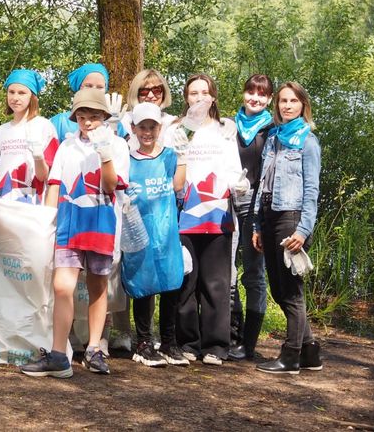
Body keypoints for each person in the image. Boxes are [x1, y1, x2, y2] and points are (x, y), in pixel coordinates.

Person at [21, 88, 129, 378]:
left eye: (94, 117)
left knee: (97, 287)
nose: (88, 123)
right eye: (82, 117)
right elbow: (54, 184)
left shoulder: (118, 145)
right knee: (62, 287)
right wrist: (45, 220)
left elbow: (111, 186)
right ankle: (58, 354)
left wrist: (105, 153)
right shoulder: (67, 146)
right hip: (69, 223)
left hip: (101, 224)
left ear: (104, 117)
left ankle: (94, 348)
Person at [163, 74, 246, 366]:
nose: (198, 98)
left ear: (213, 96)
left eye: (204, 92)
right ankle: (188, 342)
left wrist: (240, 184)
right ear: (186, 97)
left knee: (217, 283)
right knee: (186, 281)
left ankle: (216, 345)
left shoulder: (225, 130)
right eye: (193, 93)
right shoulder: (176, 129)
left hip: (218, 214)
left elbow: (235, 169)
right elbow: (168, 165)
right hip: (184, 214)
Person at [253, 82, 322, 374]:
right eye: (282, 101)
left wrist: (303, 230)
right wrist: (257, 224)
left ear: (302, 104)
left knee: (291, 290)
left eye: (293, 101)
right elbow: (262, 185)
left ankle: (291, 356)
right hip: (269, 216)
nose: (287, 106)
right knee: (279, 289)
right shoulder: (274, 138)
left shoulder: (308, 142)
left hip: (291, 218)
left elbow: (311, 191)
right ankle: (310, 351)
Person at [123, 103, 188, 368]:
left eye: (152, 127)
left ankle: (170, 341)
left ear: (159, 128)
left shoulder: (170, 156)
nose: (147, 132)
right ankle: (144, 342)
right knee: (144, 285)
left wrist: (183, 157)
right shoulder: (127, 159)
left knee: (172, 282)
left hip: (166, 231)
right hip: (140, 232)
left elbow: (179, 186)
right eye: (142, 127)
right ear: (133, 129)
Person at [227, 75, 274, 361]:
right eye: (250, 92)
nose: (255, 98)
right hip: (228, 201)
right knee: (227, 271)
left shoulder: (271, 129)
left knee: (254, 274)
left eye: (261, 94)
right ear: (243, 94)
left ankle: (249, 343)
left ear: (269, 99)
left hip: (256, 207)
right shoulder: (229, 127)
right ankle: (233, 334)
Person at [0, 69, 58, 204]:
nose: (15, 97)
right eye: (11, 92)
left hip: (32, 203)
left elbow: (45, 176)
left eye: (22, 93)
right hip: (2, 204)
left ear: (32, 96)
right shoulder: (1, 131)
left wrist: (38, 157)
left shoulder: (44, 126)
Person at [50, 63, 111, 142]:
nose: (94, 90)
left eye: (100, 87)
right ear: (78, 87)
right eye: (88, 86)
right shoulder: (60, 122)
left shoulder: (114, 121)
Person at [121, 68, 176, 152]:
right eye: (144, 91)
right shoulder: (124, 120)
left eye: (156, 90)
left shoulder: (172, 122)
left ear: (163, 93)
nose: (150, 95)